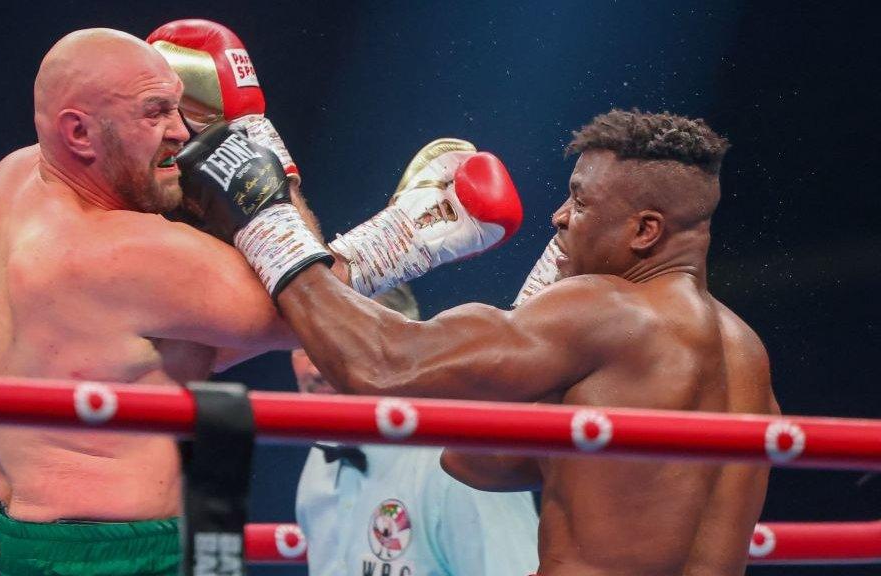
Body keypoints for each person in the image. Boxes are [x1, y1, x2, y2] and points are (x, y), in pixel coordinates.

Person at [0, 23, 522, 575]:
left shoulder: (10, 183)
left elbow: (148, 346)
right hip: (121, 552)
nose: (181, 132)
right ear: (80, 133)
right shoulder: (124, 254)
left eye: (177, 108)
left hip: (35, 540)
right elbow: (306, 308)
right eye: (154, 112)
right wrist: (401, 233)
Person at [197, 109, 780, 576]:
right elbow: (480, 462)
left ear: (645, 231)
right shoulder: (745, 352)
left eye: (580, 202)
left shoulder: (608, 309)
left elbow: (380, 366)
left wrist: (264, 216)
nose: (558, 218)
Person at [293, 284, 539, 576]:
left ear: (395, 355)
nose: (314, 368)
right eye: (302, 344)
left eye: (335, 346)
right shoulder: (321, 458)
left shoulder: (463, 465)